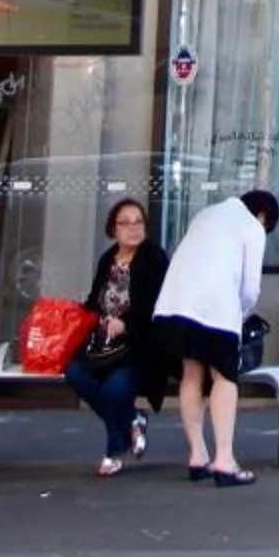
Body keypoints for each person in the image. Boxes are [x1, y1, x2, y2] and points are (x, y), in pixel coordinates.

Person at [151, 188, 277, 488]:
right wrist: (242, 314)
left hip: (174, 304)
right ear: (263, 215)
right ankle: (224, 459)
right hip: (215, 309)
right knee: (224, 378)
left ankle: (197, 455)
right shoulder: (251, 226)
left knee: (191, 374)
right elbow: (249, 288)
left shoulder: (205, 214)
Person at [67, 197, 171, 475]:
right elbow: (94, 301)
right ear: (113, 228)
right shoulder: (108, 259)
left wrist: (125, 323)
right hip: (102, 343)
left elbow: (155, 304)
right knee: (75, 373)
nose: (133, 228)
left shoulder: (154, 258)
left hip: (139, 344)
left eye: (138, 222)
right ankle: (132, 421)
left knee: (114, 390)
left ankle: (115, 448)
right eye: (125, 222)